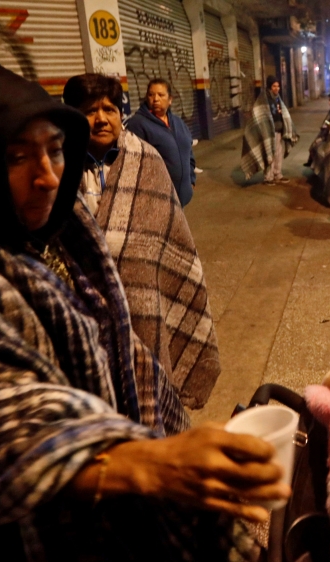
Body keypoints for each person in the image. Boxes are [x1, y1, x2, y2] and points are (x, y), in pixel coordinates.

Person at [0, 53, 288, 560]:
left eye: (55, 150)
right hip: (5, 538)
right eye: (16, 157)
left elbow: (113, 337)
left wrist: (163, 433)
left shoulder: (46, 229)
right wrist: (143, 463)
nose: (47, 177)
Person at [63, 73, 221, 409]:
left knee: (148, 387)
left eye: (109, 109)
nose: (101, 118)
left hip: (142, 299)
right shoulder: (57, 166)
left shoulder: (146, 160)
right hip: (82, 313)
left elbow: (173, 239)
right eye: (90, 110)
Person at [124, 79, 196, 207]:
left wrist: (191, 180)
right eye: (151, 95)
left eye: (161, 95)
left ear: (170, 99)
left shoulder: (178, 122)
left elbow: (188, 152)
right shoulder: (138, 124)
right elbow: (132, 164)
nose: (156, 99)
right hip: (158, 201)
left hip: (182, 199)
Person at [240, 76, 298, 184]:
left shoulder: (278, 98)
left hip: (279, 131)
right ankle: (268, 177)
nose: (277, 88)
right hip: (268, 132)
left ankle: (277, 174)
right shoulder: (263, 99)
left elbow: (283, 112)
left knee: (278, 154)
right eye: (274, 86)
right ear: (269, 87)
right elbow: (258, 115)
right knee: (269, 153)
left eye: (278, 86)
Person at [305, 90, 330, 167]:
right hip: (327, 133)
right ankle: (312, 163)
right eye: (329, 100)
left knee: (317, 146)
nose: (329, 102)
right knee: (314, 145)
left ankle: (315, 165)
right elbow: (328, 121)